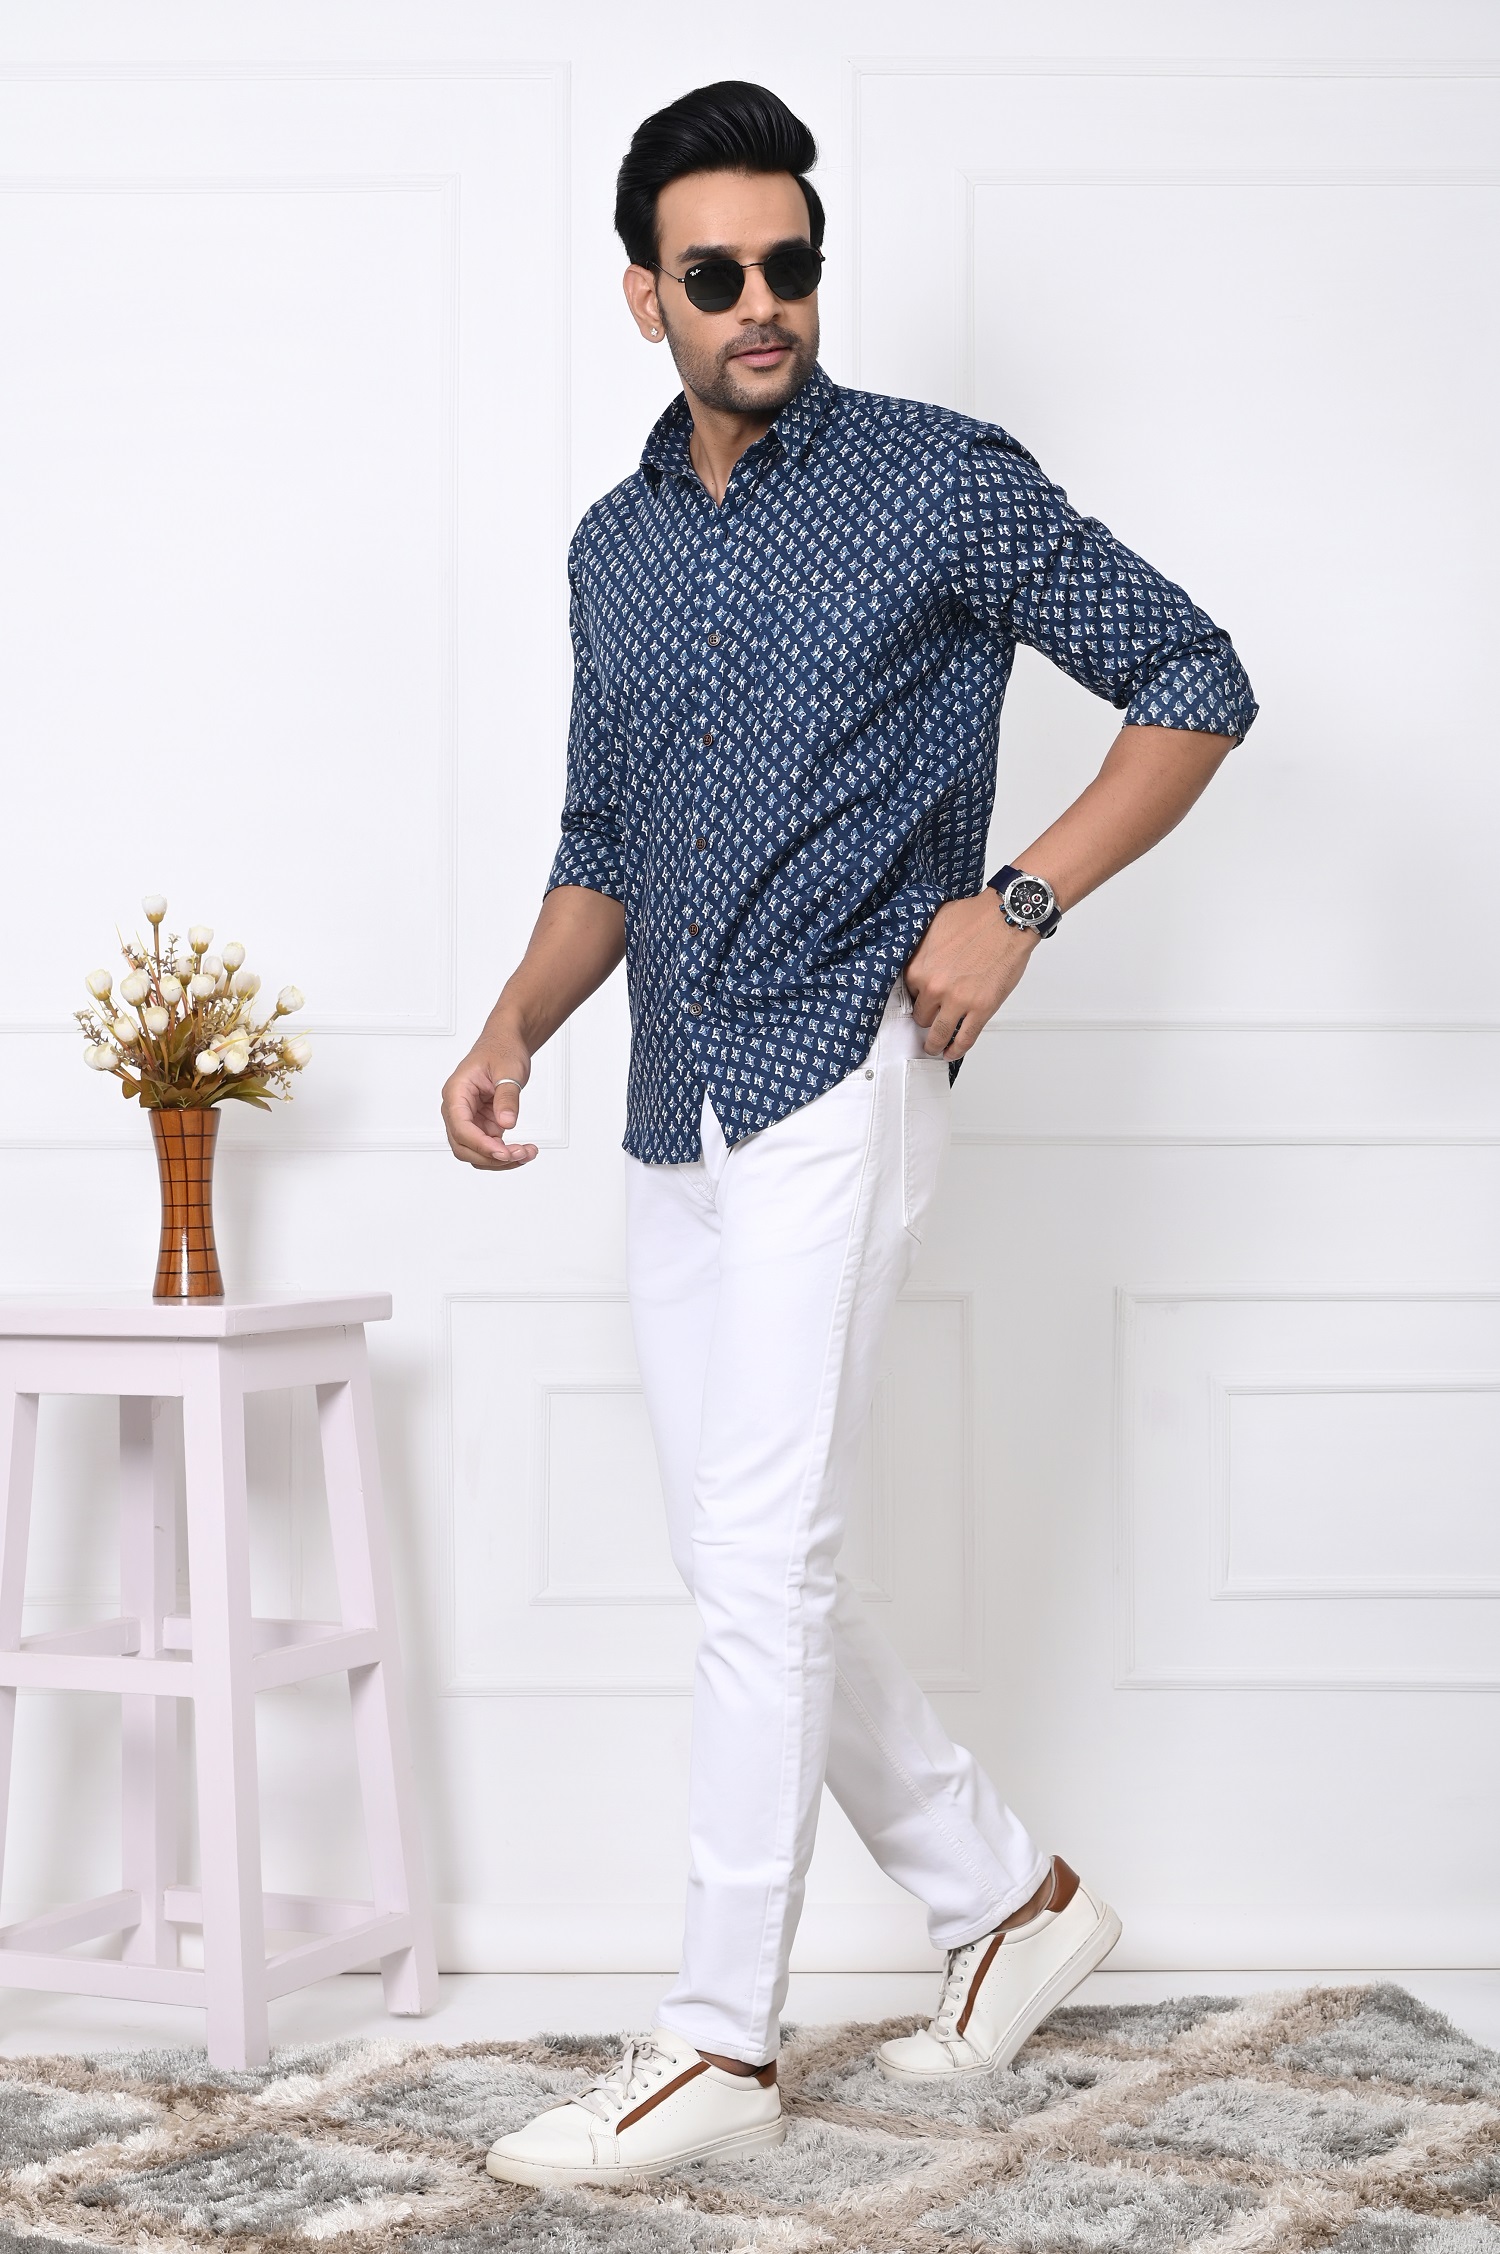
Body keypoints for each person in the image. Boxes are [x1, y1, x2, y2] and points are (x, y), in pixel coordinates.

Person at [441, 79, 1257, 2190]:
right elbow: (602, 838)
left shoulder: (937, 482)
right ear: (645, 296)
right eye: (715, 272)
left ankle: (719, 2035)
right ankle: (1007, 1893)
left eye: (790, 263)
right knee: (751, 1553)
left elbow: (1193, 676)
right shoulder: (612, 545)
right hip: (672, 1088)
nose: (763, 303)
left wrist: (1022, 900)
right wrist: (515, 1020)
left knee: (760, 1558)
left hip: (841, 1063)